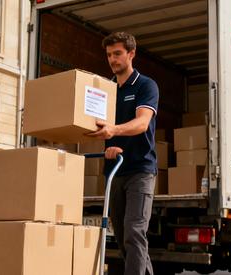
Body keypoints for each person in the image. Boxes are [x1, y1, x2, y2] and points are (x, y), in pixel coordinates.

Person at [87, 31, 159, 275]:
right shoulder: (105, 90)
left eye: (117, 54)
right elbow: (94, 124)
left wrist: (113, 131)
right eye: (109, 55)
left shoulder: (145, 85)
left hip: (140, 171)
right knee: (123, 238)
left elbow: (142, 123)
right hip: (114, 171)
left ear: (131, 54)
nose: (112, 59)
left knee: (134, 232)